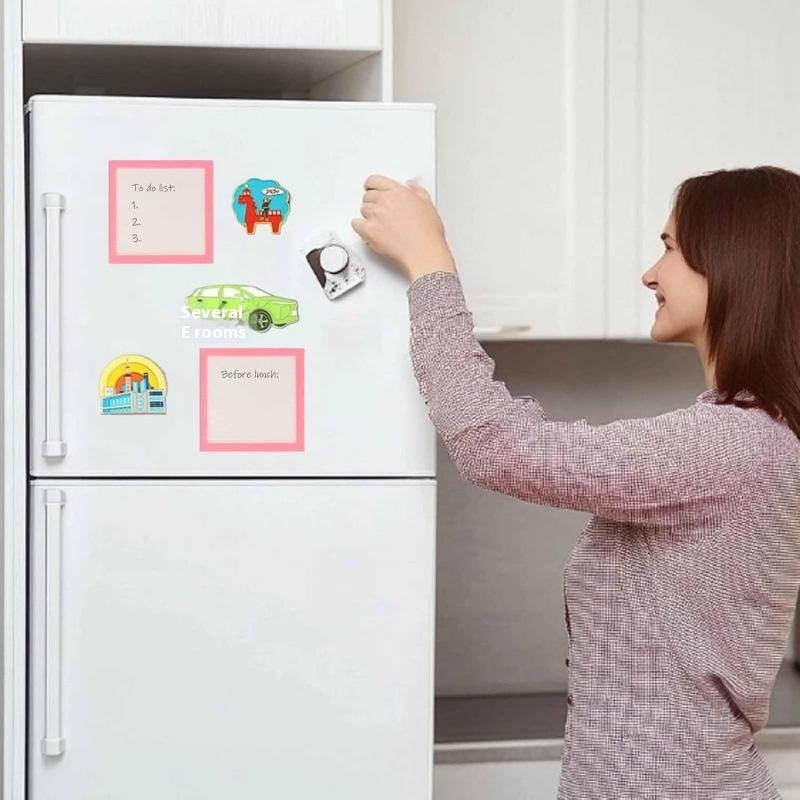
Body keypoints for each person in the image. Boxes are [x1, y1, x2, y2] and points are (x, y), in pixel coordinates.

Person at [351, 166, 800, 799]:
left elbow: (496, 447)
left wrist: (430, 264)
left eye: (670, 248)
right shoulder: (750, 435)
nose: (650, 274)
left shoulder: (735, 444)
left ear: (734, 263)